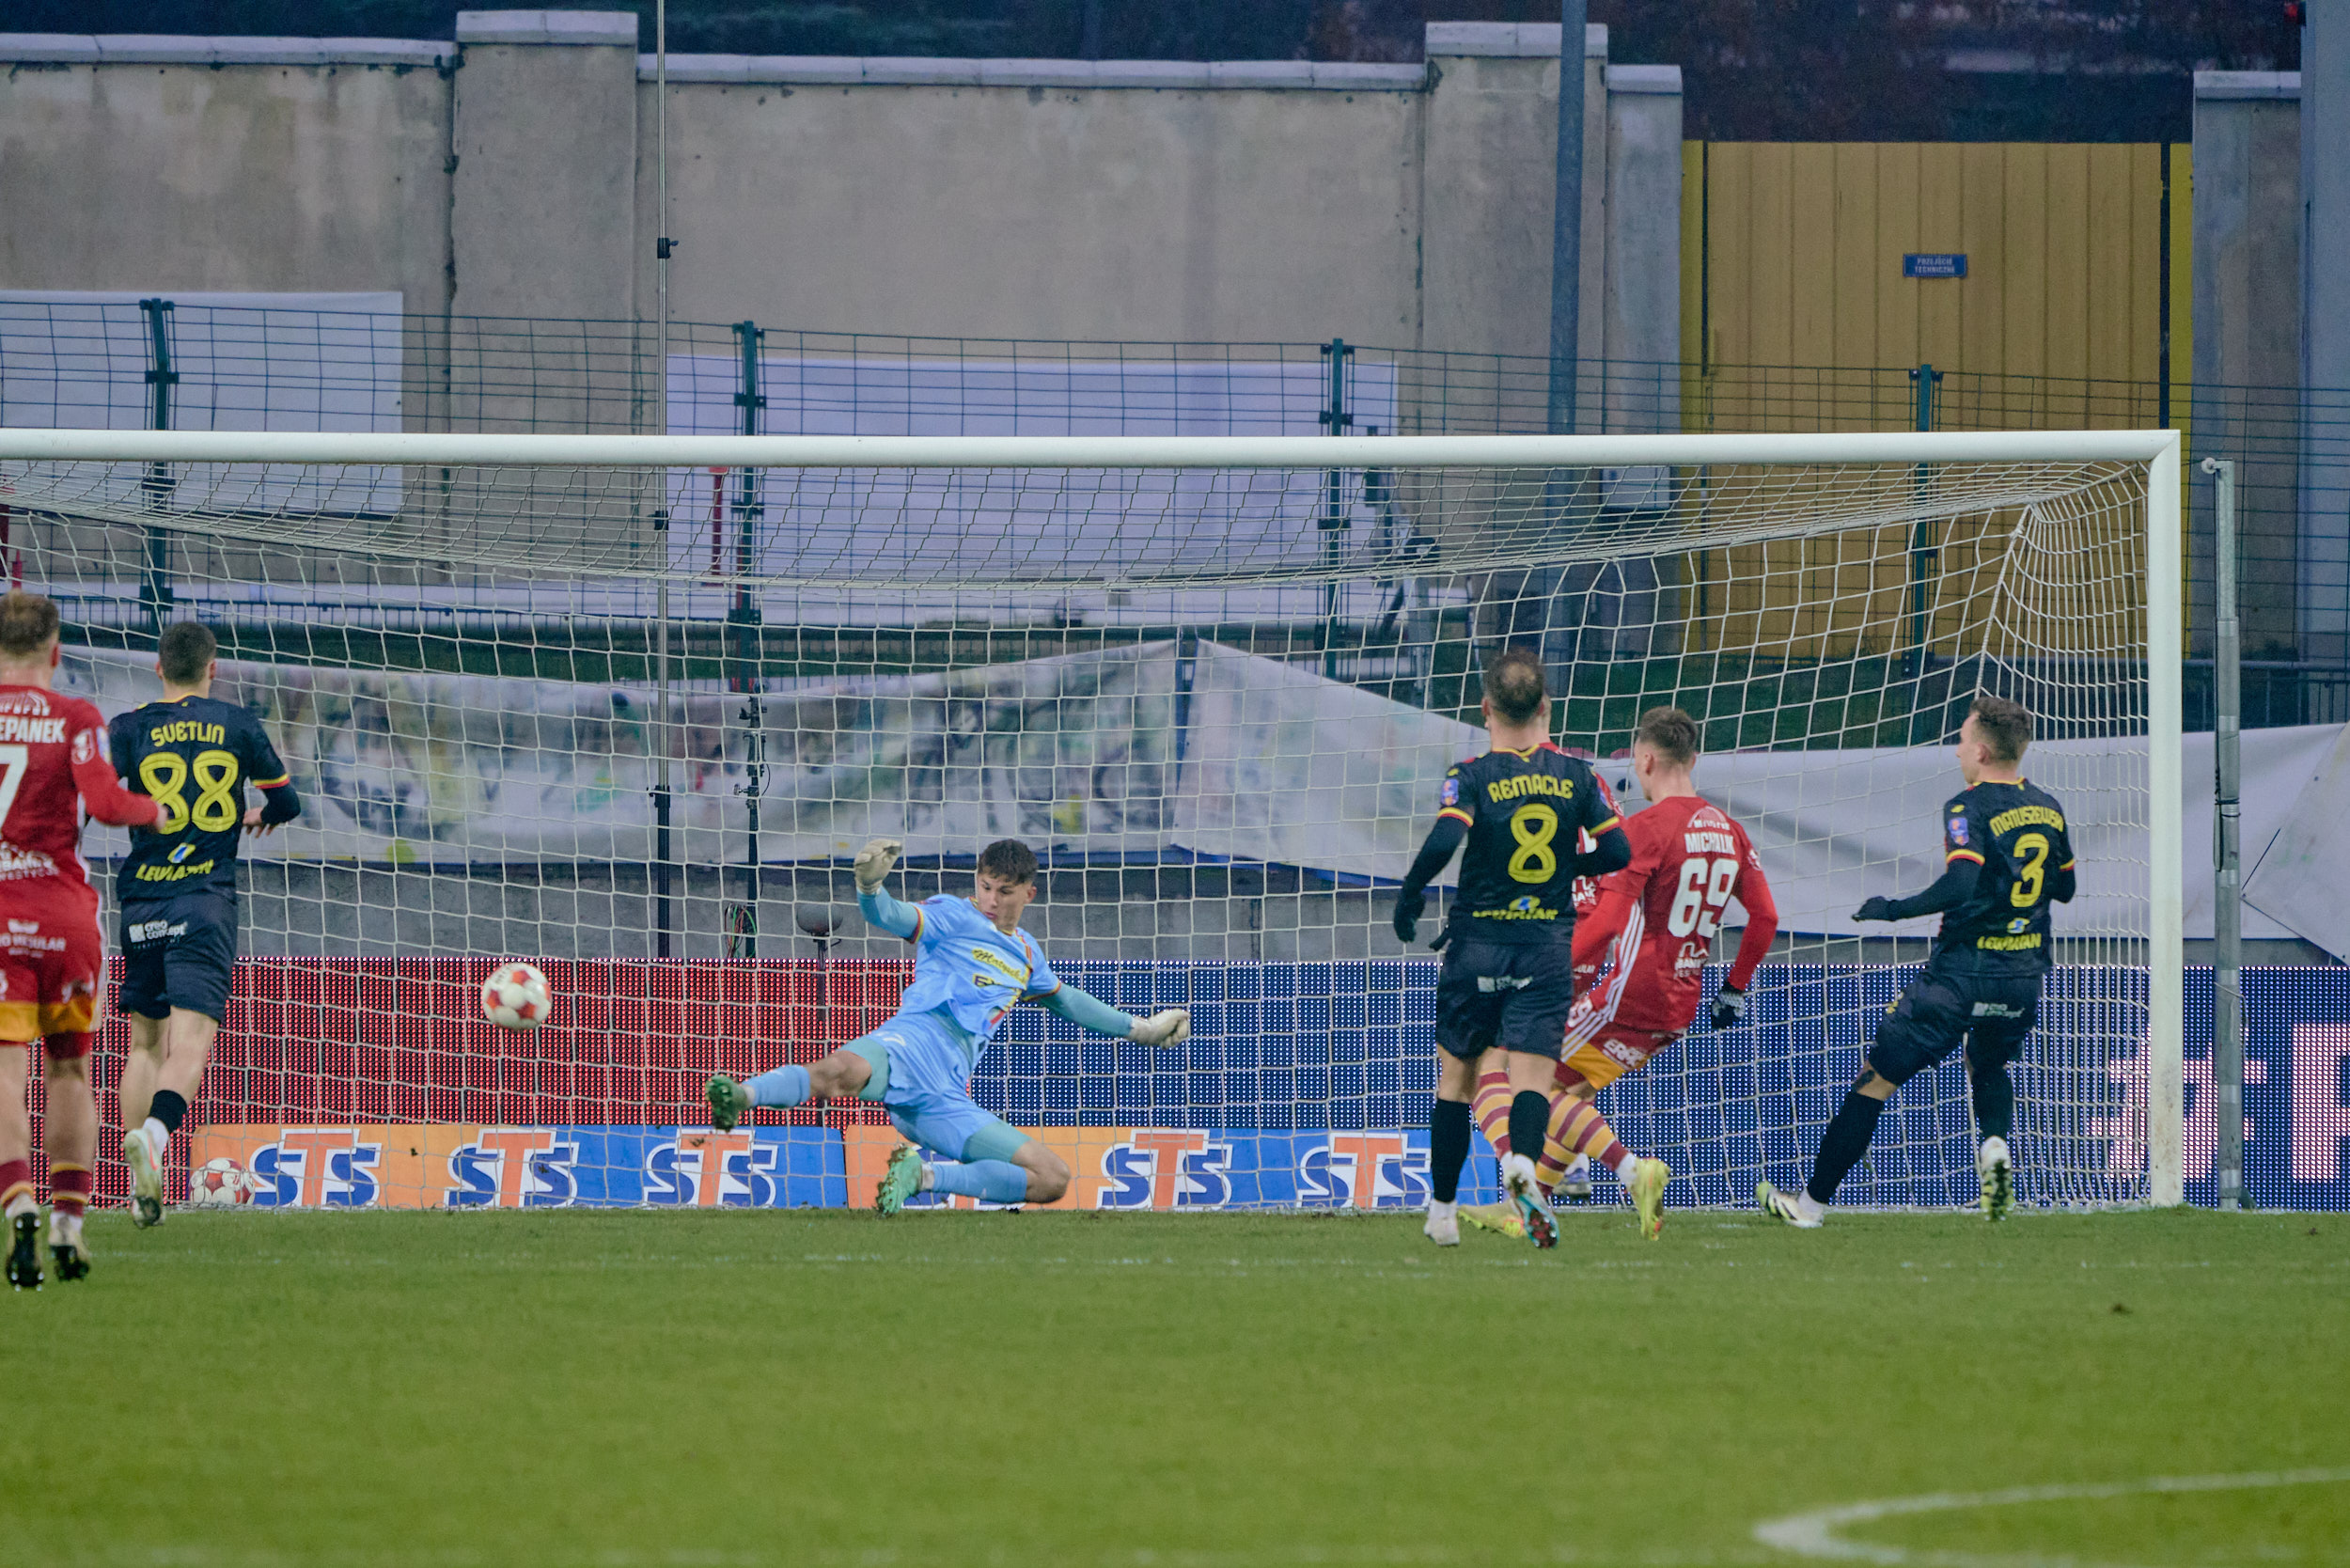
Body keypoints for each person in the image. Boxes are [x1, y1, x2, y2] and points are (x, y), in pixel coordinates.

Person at [704, 837, 1190, 1210]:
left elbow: (1069, 1002)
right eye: (985, 886)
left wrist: (1141, 1029)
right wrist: (869, 888)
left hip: (945, 1093)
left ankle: (922, 1177)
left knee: (1052, 1179)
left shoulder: (1026, 954)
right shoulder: (953, 915)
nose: (991, 899)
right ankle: (741, 1096)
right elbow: (891, 916)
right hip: (909, 1043)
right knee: (840, 1072)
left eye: (1004, 891)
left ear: (1029, 893)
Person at [1463, 706, 1778, 1241]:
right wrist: (1735, 988)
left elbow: (1608, 922)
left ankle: (1631, 1171)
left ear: (1646, 760)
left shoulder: (1646, 829)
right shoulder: (1730, 830)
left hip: (1629, 992)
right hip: (1679, 1002)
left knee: (1500, 1071)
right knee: (1568, 1092)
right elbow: (1765, 917)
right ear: (1693, 759)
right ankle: (1525, 1208)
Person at [1759, 695, 2074, 1227]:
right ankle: (1995, 1146)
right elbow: (2064, 888)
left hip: (1960, 975)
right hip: (2022, 975)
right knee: (1989, 1065)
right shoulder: (2049, 806)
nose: (1956, 751)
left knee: (1875, 1081)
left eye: (1961, 740)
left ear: (1981, 750)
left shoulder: (1967, 806)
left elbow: (1962, 881)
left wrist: (1893, 910)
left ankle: (1808, 1208)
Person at [1392, 649, 1630, 1249]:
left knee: (1457, 1081)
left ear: (1486, 708)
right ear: (1546, 706)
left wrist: (1412, 892)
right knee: (1531, 1078)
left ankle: (1442, 1214)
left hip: (1477, 944)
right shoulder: (1577, 776)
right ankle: (1523, 1168)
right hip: (1545, 947)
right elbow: (1618, 852)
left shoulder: (1471, 775)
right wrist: (1565, 868)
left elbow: (1446, 836)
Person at [114, 620, 303, 1227]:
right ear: (212, 669)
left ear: (159, 667)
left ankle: (138, 1190)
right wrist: (262, 815)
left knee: (144, 1042)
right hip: (204, 899)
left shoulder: (128, 727)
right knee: (190, 1040)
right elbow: (288, 802)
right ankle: (155, 1137)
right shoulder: (238, 724)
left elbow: (95, 797)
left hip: (141, 898)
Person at [0, 592, 162, 1288]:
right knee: (69, 1068)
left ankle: (18, 1204)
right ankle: (68, 1220)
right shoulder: (76, 717)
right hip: (65, 918)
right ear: (56, 651)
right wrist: (153, 809)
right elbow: (106, 804)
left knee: (6, 1068)